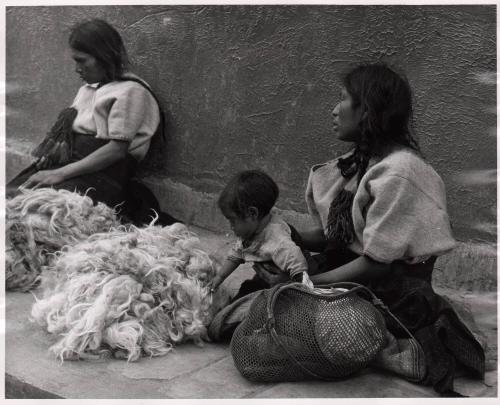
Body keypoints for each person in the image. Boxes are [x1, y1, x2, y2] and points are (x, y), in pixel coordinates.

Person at [251, 63, 485, 395]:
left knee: (337, 329)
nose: (334, 110)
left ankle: (398, 350)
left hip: (392, 293)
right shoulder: (362, 162)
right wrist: (283, 236)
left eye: (343, 99)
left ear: (367, 111)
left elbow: (376, 263)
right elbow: (339, 239)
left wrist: (304, 284)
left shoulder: (400, 173)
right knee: (256, 299)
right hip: (357, 278)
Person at [7, 19, 166, 221]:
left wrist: (60, 174)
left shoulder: (131, 91)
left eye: (82, 60)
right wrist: (52, 161)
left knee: (46, 212)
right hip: (72, 165)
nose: (77, 68)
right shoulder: (88, 89)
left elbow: (117, 150)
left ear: (105, 56)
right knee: (12, 198)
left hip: (104, 173)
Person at [212, 170, 313, 298]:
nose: (231, 226)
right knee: (246, 289)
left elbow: (299, 267)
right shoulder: (252, 231)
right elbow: (237, 253)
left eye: (232, 220)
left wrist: (294, 288)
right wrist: (219, 277)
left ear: (253, 213)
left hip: (286, 281)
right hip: (266, 275)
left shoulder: (278, 241)